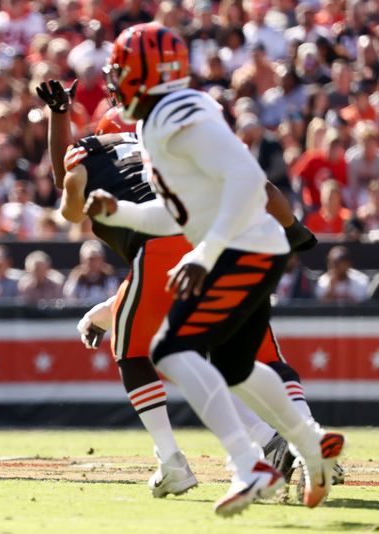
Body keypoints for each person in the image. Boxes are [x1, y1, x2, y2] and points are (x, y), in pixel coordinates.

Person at [90, 23, 343, 516]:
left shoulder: (171, 120)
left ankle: (255, 462)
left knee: (173, 351)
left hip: (242, 249)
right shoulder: (162, 119)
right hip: (248, 245)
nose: (115, 80)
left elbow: (250, 182)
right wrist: (122, 214)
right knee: (233, 364)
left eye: (122, 70)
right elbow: (177, 213)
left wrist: (205, 254)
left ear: (142, 72)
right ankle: (305, 442)